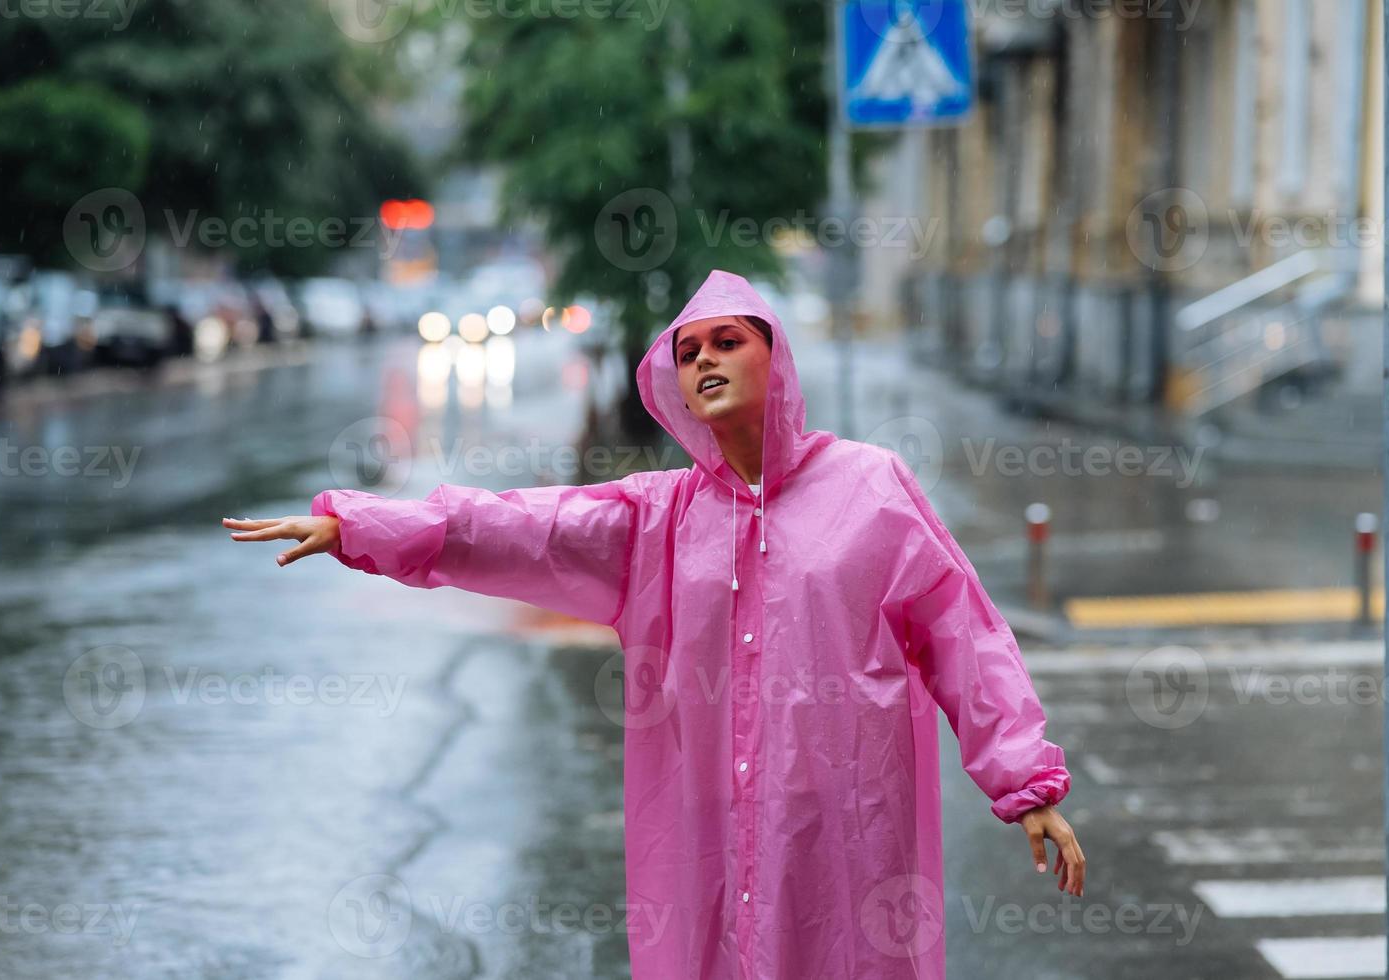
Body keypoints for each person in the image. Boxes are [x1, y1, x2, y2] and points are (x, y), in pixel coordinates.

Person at [223, 269, 1084, 979]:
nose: (702, 360)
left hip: (846, 827)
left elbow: (960, 633)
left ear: (774, 358)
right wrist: (363, 527)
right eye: (686, 351)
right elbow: (514, 524)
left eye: (725, 342)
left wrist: (1024, 783)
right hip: (705, 826)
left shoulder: (871, 490)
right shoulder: (658, 518)